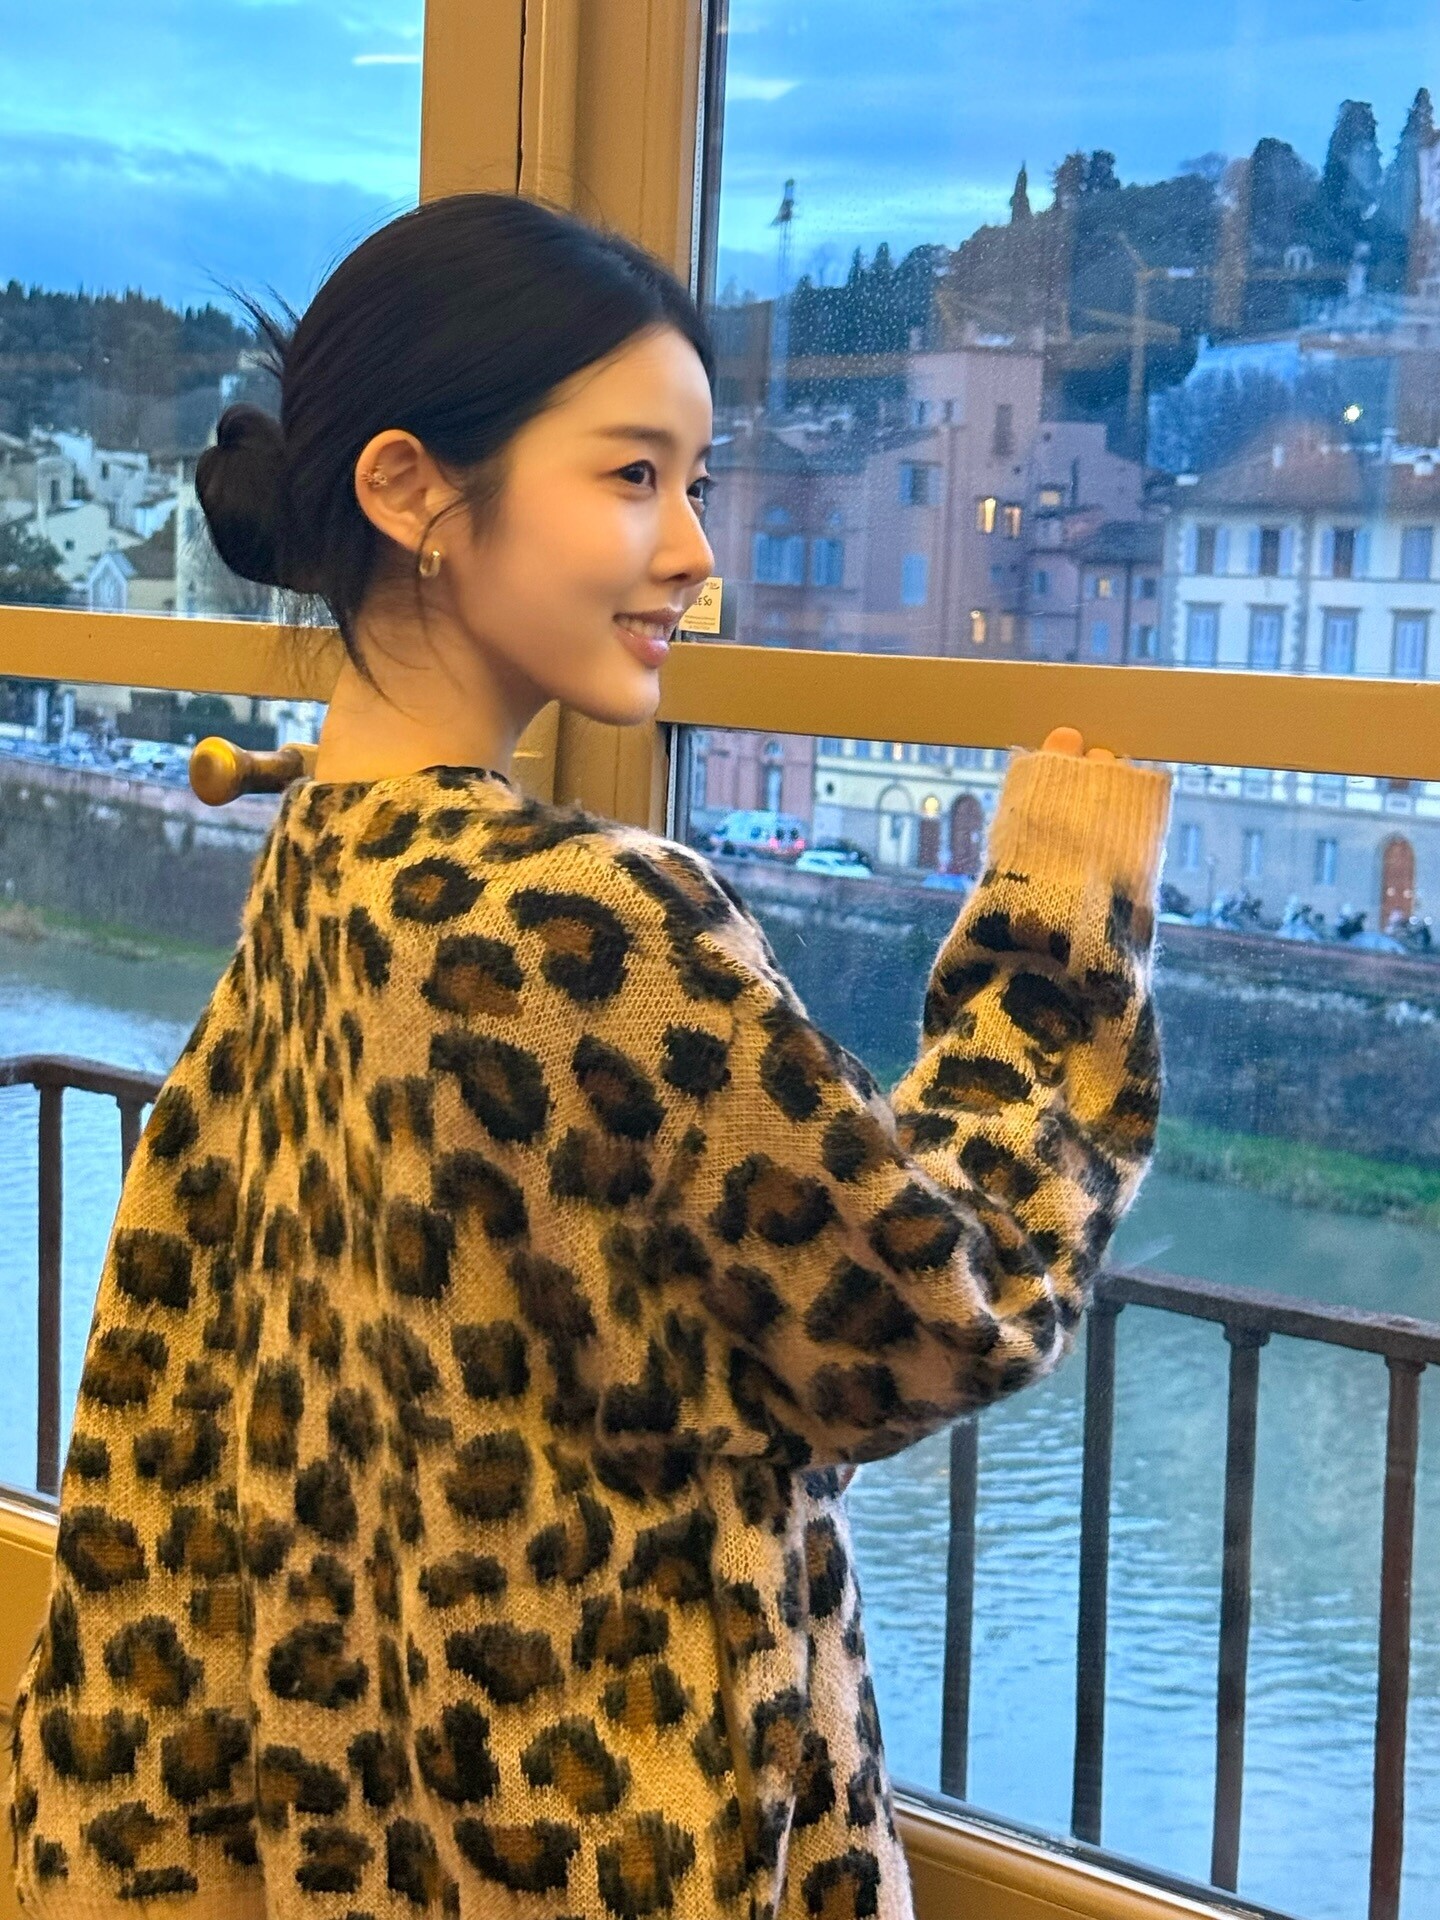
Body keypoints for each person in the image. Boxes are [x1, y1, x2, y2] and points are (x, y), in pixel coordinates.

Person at [6, 192, 1172, 1920]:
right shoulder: (587, 923)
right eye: (636, 475)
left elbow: (188, 1384)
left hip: (371, 1818)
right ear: (411, 491)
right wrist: (1059, 932)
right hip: (624, 1835)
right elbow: (940, 1314)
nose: (695, 547)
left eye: (694, 480)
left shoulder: (328, 856)